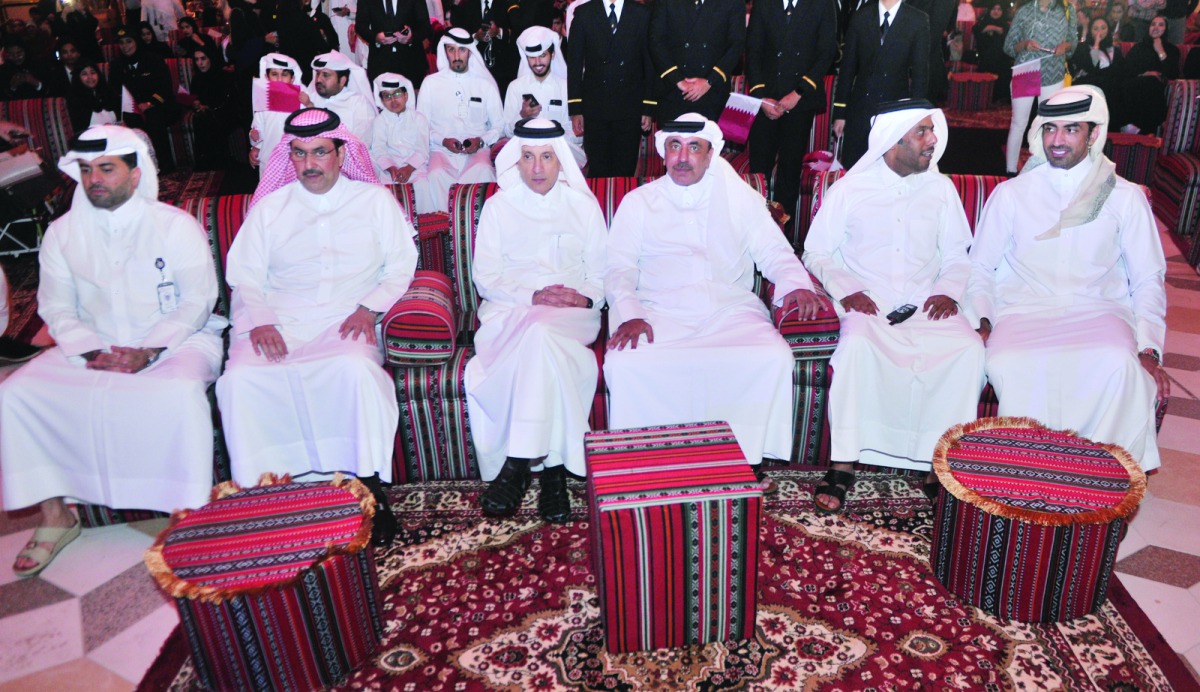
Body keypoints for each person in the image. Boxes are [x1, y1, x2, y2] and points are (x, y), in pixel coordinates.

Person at [0, 126, 225, 577]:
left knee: (177, 395)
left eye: (106, 169)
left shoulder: (175, 226)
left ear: (135, 175)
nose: (94, 180)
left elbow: (197, 300)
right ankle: (56, 516)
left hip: (176, 340)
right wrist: (88, 351)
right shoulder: (63, 233)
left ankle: (189, 513)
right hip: (91, 344)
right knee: (17, 394)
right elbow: (56, 306)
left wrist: (147, 350)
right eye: (86, 170)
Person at [217, 108, 419, 546]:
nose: (309, 164)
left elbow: (402, 265)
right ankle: (267, 495)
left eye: (320, 153)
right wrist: (262, 321)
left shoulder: (374, 202)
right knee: (240, 381)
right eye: (299, 154)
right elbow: (244, 273)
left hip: (345, 318)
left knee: (355, 372)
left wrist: (370, 308)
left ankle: (369, 488)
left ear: (341, 155)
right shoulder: (271, 208)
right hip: (279, 319)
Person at [604, 114, 827, 490]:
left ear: (710, 154)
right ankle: (652, 460)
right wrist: (630, 313)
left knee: (770, 355)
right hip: (659, 311)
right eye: (675, 146)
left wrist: (796, 285)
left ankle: (744, 457)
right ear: (663, 153)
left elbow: (773, 250)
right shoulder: (638, 202)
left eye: (694, 147)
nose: (683, 157)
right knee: (627, 363)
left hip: (728, 309)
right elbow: (618, 269)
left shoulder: (738, 197)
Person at [965, 85, 1168, 471]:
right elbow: (980, 268)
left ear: (1094, 134)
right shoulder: (1011, 194)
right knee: (1010, 361)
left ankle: (1101, 484)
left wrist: (1149, 347)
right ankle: (1028, 481)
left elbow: (1147, 279)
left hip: (1099, 313)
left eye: (1071, 129)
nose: (1057, 140)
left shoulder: (1125, 197)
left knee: (1118, 366)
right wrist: (983, 318)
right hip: (1023, 313)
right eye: (1050, 128)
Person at [803, 99, 985, 513]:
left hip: (928, 301)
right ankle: (844, 462)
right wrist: (846, 288)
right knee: (856, 349)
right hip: (870, 303)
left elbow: (959, 254)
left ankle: (939, 462)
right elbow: (816, 252)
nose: (932, 140)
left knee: (967, 350)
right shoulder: (850, 189)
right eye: (921, 133)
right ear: (891, 141)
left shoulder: (940, 189)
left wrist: (949, 291)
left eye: (931, 131)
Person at [467, 118, 606, 522]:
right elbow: (486, 278)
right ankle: (554, 473)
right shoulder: (498, 208)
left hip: (571, 315)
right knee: (542, 343)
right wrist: (531, 295)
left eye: (547, 157)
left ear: (561, 161)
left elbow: (602, 273)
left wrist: (584, 296)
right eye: (528, 157)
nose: (538, 168)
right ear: (518, 161)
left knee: (544, 331)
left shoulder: (583, 205)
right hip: (510, 312)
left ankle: (516, 463)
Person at [744, 0, 839, 219]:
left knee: (789, 168)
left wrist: (798, 92)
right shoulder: (764, 4)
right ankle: (754, 225)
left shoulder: (822, 5)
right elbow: (753, 50)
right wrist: (761, 97)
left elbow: (826, 52)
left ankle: (782, 232)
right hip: (766, 101)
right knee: (759, 168)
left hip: (800, 101)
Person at [832, 0, 932, 168]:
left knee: (888, 169)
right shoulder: (861, 17)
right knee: (855, 168)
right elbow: (847, 68)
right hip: (861, 108)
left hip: (895, 109)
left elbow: (920, 74)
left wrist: (917, 117)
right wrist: (840, 112)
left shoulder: (917, 20)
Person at [415, 29, 504, 212]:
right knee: (435, 174)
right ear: (444, 51)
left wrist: (481, 141)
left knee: (483, 170)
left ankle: (479, 227)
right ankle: (447, 230)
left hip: (476, 150)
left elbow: (498, 126)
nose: (456, 56)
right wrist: (443, 141)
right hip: (441, 150)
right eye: (451, 50)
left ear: (470, 51)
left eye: (461, 50)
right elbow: (422, 126)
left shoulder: (485, 85)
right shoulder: (431, 84)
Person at [566, 0, 655, 177]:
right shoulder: (584, 13)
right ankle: (601, 203)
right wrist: (576, 108)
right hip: (595, 108)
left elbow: (650, 64)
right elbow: (575, 65)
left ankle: (622, 202)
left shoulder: (642, 13)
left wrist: (648, 107)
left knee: (625, 168)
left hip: (630, 106)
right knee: (598, 169)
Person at [1002, 0, 1076, 174]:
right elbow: (1008, 47)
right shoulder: (1024, 11)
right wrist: (1024, 44)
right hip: (1027, 70)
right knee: (1019, 123)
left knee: (1050, 124)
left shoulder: (1067, 9)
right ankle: (1010, 171)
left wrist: (1066, 46)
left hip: (1054, 73)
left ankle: (1045, 169)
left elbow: (1073, 42)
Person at [648, 0, 746, 122]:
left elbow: (736, 45)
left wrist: (710, 81)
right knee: (674, 139)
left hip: (713, 93)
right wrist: (677, 80)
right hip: (673, 91)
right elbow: (656, 42)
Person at [501, 27, 585, 167]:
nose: (538, 62)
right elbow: (507, 132)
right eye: (532, 57)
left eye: (542, 55)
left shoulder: (567, 88)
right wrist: (522, 116)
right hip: (526, 152)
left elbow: (578, 135)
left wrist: (548, 139)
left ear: (552, 55)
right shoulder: (515, 87)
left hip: (561, 152)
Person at [111, 25, 179, 172]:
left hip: (159, 105)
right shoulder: (117, 65)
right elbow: (115, 91)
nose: (125, 46)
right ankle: (140, 169)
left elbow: (165, 87)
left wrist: (150, 103)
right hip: (133, 109)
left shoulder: (153, 59)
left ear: (136, 41)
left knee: (153, 117)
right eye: (121, 43)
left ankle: (165, 165)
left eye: (128, 41)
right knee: (129, 122)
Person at [369, 72, 431, 198]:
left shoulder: (418, 119)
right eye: (387, 96)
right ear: (382, 100)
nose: (393, 100)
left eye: (397, 94)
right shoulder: (379, 121)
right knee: (385, 193)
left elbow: (422, 149)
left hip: (415, 168)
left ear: (406, 95)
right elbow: (379, 149)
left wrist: (408, 169)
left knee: (422, 186)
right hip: (390, 170)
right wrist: (392, 169)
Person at [302, 50, 377, 145]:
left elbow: (361, 142)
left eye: (326, 75)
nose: (319, 79)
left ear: (342, 81)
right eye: (318, 73)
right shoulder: (310, 98)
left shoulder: (359, 103)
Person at [1119, 14, 1178, 133]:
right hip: (1134, 83)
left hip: (1155, 86)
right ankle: (1135, 127)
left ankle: (1143, 130)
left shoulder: (1172, 50)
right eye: (1153, 24)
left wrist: (1160, 51)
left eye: (1161, 25)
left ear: (1166, 29)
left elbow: (1173, 74)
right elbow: (1126, 69)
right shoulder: (1139, 47)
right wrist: (1144, 74)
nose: (1156, 27)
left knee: (1152, 83)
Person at [249, 53, 303, 174]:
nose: (279, 79)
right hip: (269, 160)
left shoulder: (302, 101)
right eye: (274, 74)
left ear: (292, 78)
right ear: (267, 77)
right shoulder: (263, 103)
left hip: (294, 162)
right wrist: (255, 144)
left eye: (284, 74)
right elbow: (258, 129)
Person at [450, 0, 519, 92]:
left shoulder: (508, 3)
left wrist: (499, 32)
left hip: (505, 72)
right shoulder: (466, 6)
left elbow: (518, 32)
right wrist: (476, 37)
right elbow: (459, 36)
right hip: (476, 73)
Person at [355, 0, 430, 84]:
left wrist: (411, 38)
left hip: (412, 62)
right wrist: (376, 37)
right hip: (380, 61)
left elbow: (425, 26)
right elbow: (360, 26)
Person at [187, 45, 237, 170]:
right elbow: (195, 97)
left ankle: (219, 161)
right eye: (197, 59)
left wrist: (209, 107)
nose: (200, 63)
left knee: (210, 119)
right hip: (205, 112)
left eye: (203, 59)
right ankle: (204, 162)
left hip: (223, 110)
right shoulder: (197, 78)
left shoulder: (222, 75)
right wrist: (196, 104)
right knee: (199, 119)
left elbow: (227, 100)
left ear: (210, 59)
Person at [1069, 16, 1125, 98]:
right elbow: (1091, 67)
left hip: (1112, 88)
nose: (1100, 32)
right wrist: (1096, 44)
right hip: (1092, 87)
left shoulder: (1114, 49)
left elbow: (1120, 70)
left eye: (1103, 28)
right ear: (1090, 32)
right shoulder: (1083, 48)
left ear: (1108, 30)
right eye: (1095, 29)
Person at [66, 62, 123, 132]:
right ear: (78, 77)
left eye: (93, 73)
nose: (90, 77)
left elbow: (122, 118)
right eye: (84, 74)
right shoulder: (75, 100)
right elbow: (80, 130)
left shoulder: (109, 92)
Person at [974, 2, 1013, 101]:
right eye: (994, 9)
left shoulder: (1006, 25)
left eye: (999, 9)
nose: (996, 11)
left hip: (1001, 59)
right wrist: (993, 28)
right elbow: (976, 30)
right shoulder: (983, 22)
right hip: (984, 57)